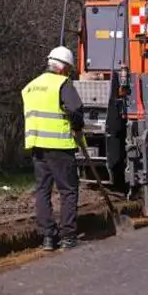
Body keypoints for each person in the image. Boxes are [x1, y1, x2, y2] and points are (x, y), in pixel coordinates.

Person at [21, 46, 86, 250]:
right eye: (68, 69)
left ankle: (48, 237)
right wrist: (77, 127)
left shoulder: (30, 86)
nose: (68, 73)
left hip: (38, 147)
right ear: (63, 67)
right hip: (59, 146)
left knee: (43, 191)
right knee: (68, 191)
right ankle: (68, 236)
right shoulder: (62, 84)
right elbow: (75, 109)